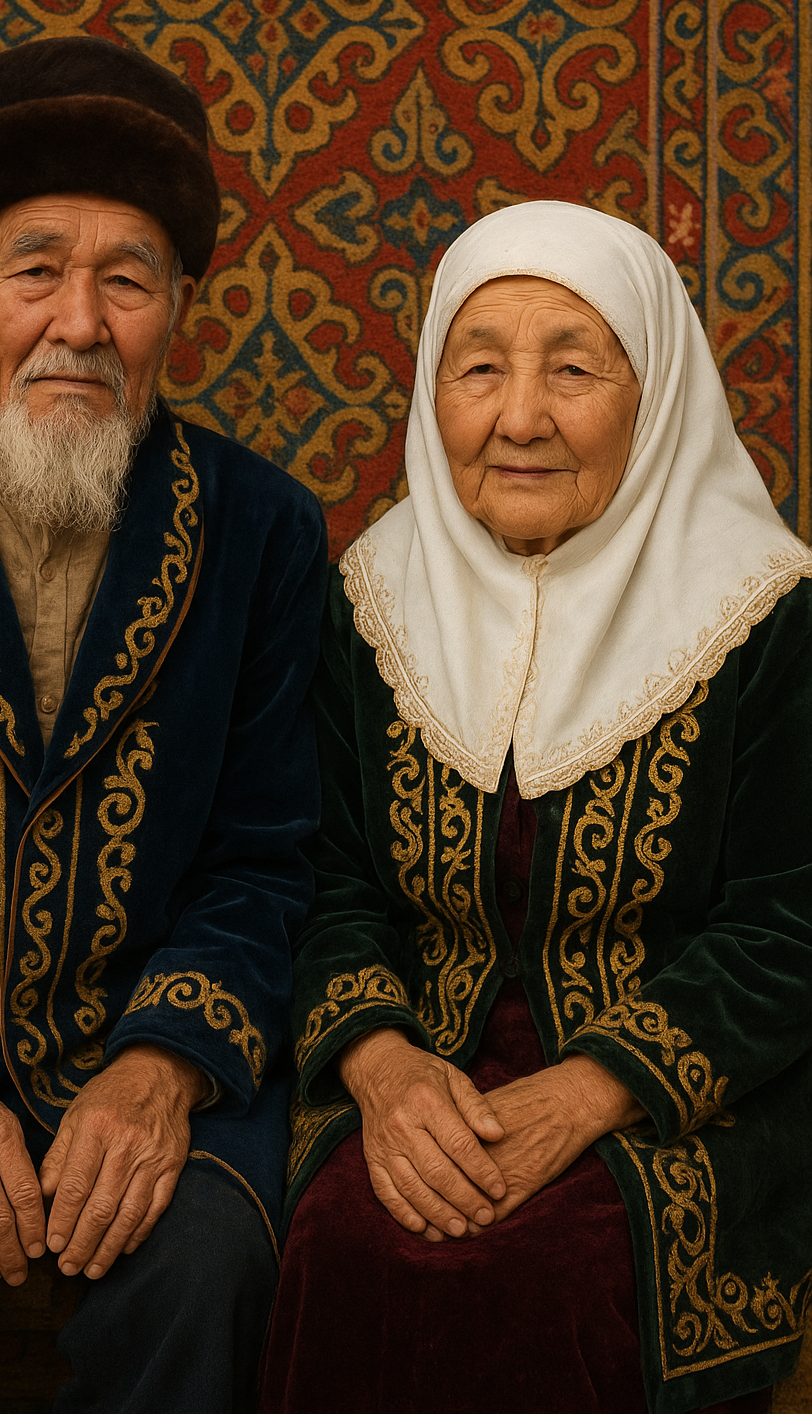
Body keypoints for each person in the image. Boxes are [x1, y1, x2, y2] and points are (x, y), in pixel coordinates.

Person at [0, 37, 326, 1414]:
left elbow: (269, 859)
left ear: (177, 310)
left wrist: (162, 1068)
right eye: (35, 270)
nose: (79, 323)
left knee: (211, 1261)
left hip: (150, 1056)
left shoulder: (265, 532)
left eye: (127, 280)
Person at [260, 201, 812, 1414]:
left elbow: (788, 924)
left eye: (572, 368)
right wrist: (381, 1067)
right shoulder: (370, 600)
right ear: (431, 393)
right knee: (346, 1240)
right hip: (421, 1077)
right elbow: (327, 881)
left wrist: (591, 1089)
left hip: (680, 1104)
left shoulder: (769, 615)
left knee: (548, 1271)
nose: (518, 417)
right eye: (479, 369)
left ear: (652, 393)